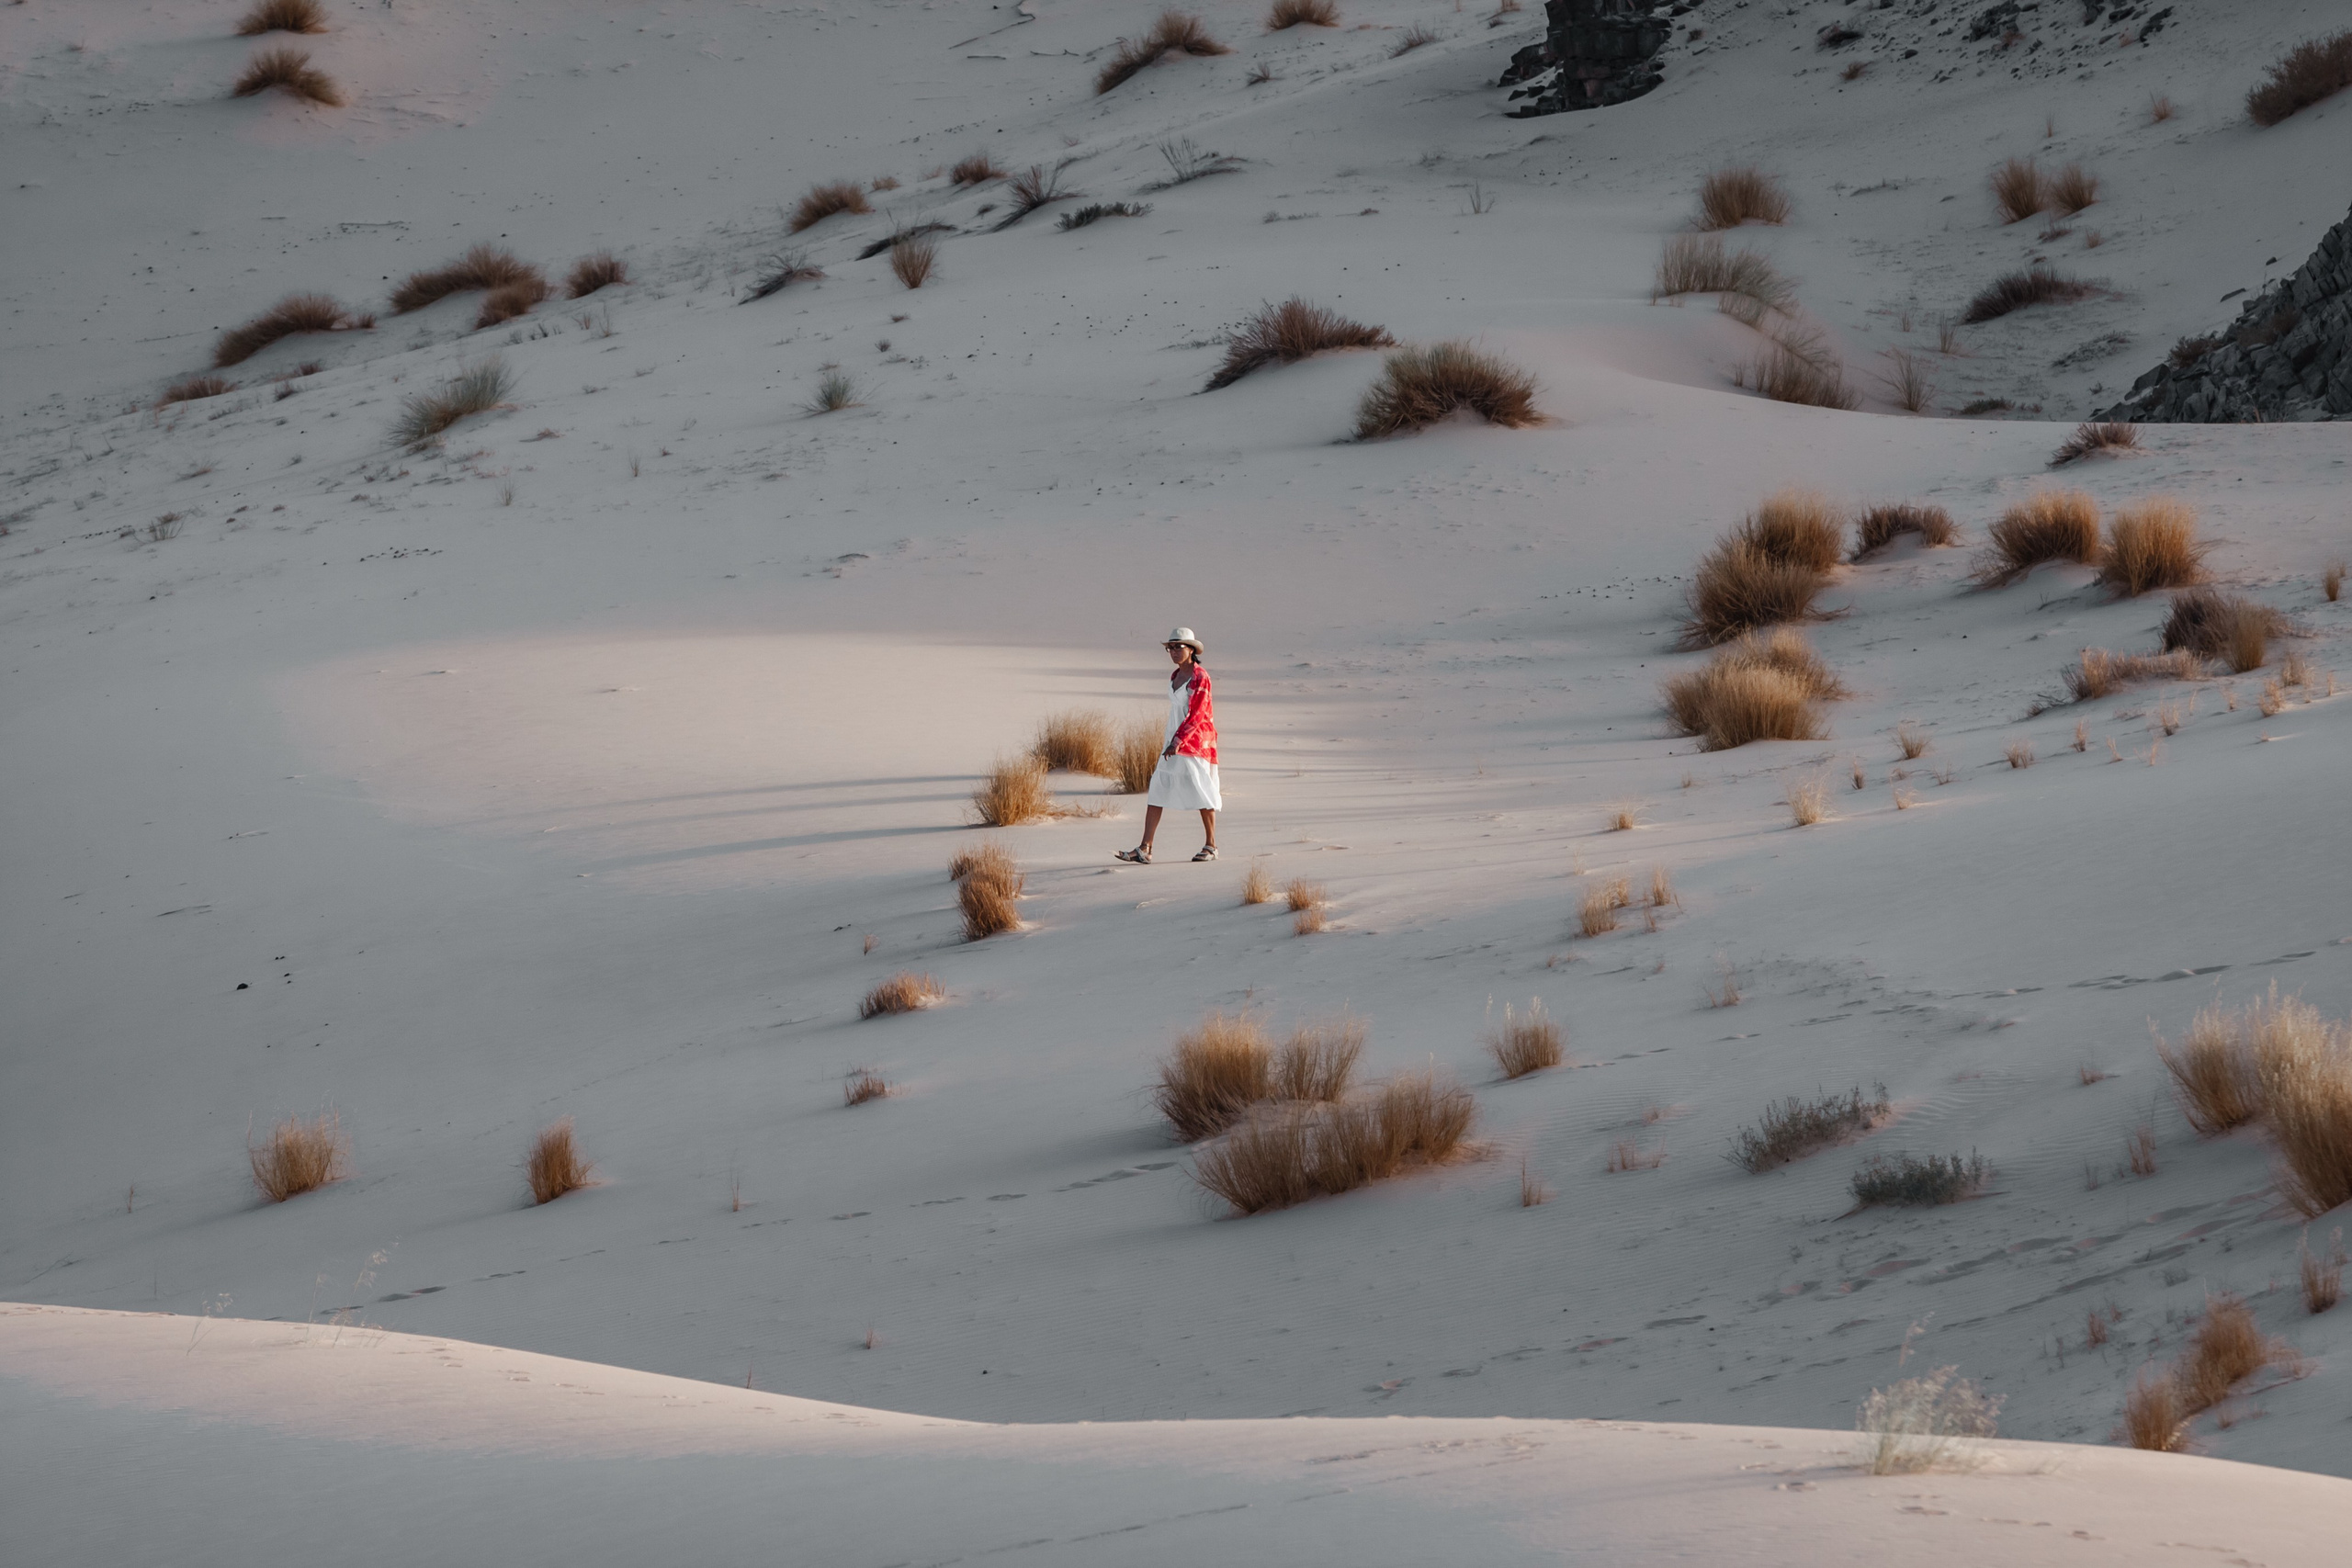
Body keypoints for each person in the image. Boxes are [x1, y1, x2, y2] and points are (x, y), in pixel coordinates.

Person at [1116, 627, 1219, 864]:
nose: (1173, 652)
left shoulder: (1200, 676)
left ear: (1191, 649)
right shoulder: (1175, 676)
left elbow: (1197, 714)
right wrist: (1171, 740)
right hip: (1173, 741)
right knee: (1157, 789)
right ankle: (1145, 848)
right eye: (1170, 648)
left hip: (1195, 743)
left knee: (1202, 789)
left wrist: (1178, 741)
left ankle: (1211, 845)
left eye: (1178, 647)